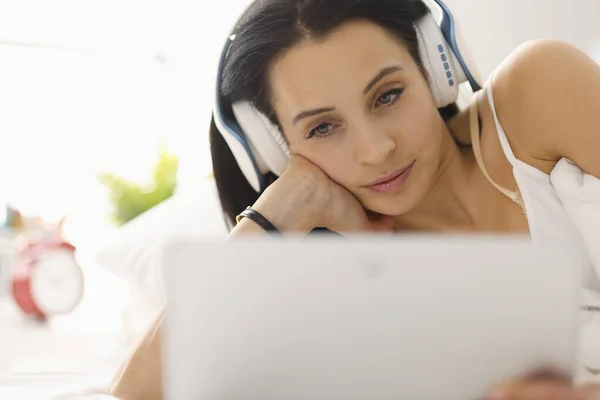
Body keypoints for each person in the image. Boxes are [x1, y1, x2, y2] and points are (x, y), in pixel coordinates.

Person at [108, 0, 600, 398]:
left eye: (387, 95)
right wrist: (273, 216)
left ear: (433, 66)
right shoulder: (329, 278)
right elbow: (134, 393)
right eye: (323, 128)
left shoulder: (537, 89)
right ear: (276, 152)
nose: (376, 149)